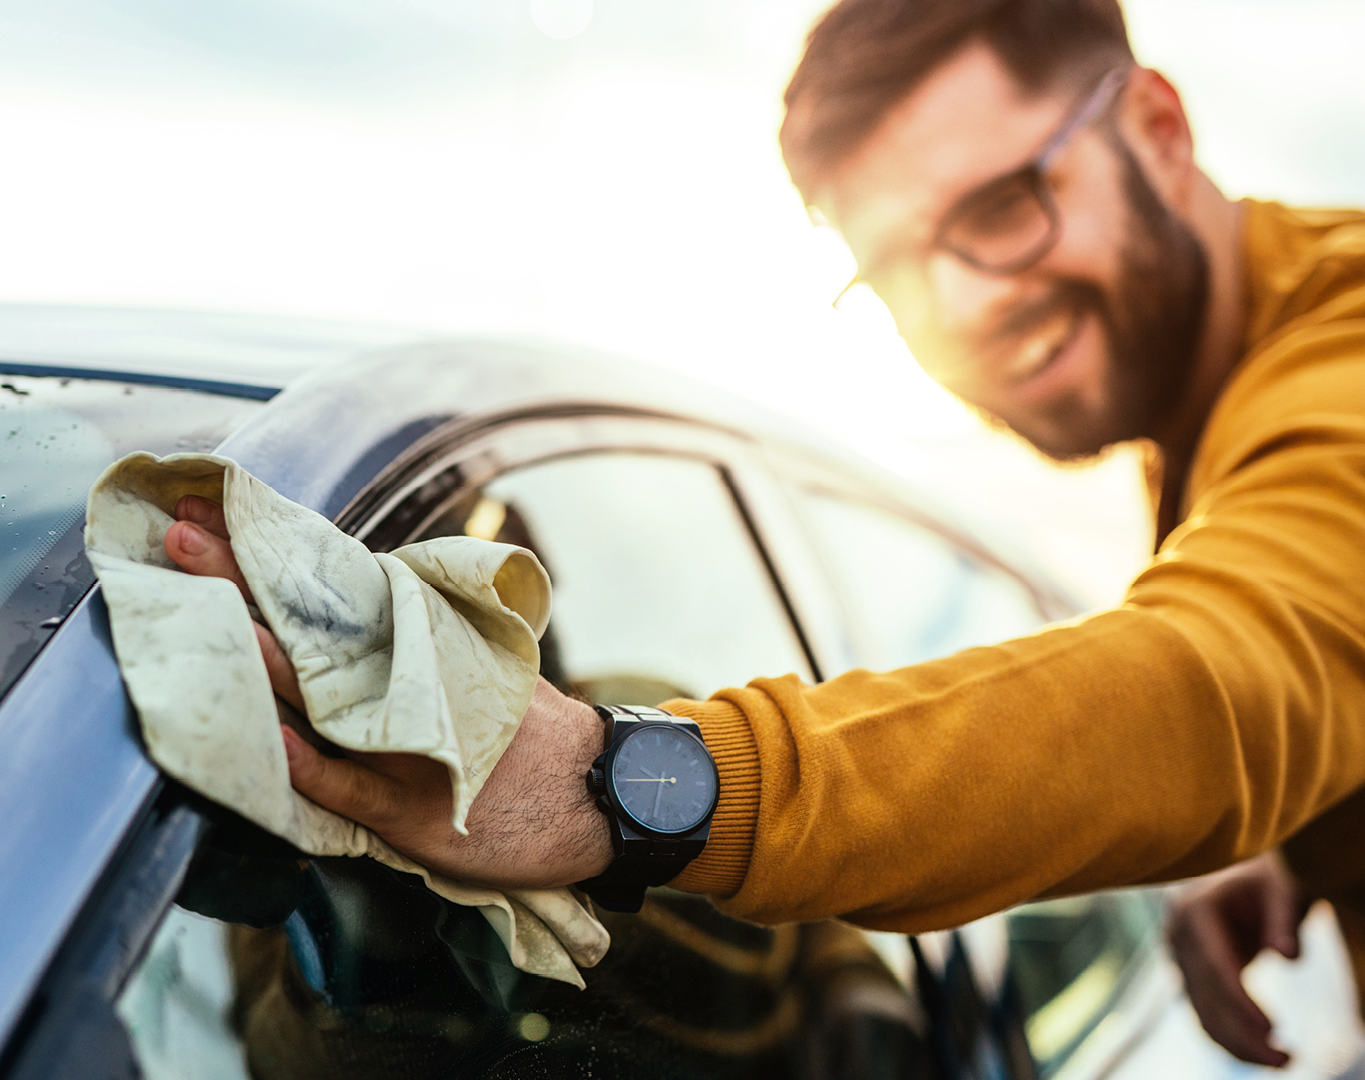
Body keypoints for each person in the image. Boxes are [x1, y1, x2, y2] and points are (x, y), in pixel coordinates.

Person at [162, 0, 1365, 1065]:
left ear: (1157, 126)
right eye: (895, 274)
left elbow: (1227, 680)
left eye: (1004, 205)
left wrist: (613, 778)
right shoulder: (1224, 394)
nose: (962, 313)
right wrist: (1303, 844)